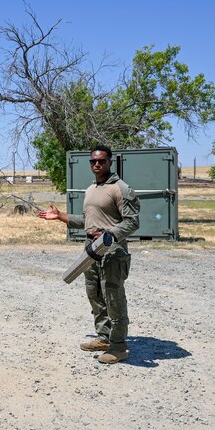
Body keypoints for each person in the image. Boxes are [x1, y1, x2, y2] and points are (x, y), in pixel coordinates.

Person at [38, 145, 140, 364]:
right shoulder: (92, 188)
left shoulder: (120, 188)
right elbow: (88, 221)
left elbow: (132, 222)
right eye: (93, 161)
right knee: (95, 294)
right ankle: (104, 337)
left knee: (113, 297)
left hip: (113, 250)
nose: (97, 165)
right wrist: (60, 216)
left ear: (110, 162)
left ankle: (119, 346)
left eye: (101, 161)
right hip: (92, 249)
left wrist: (110, 234)